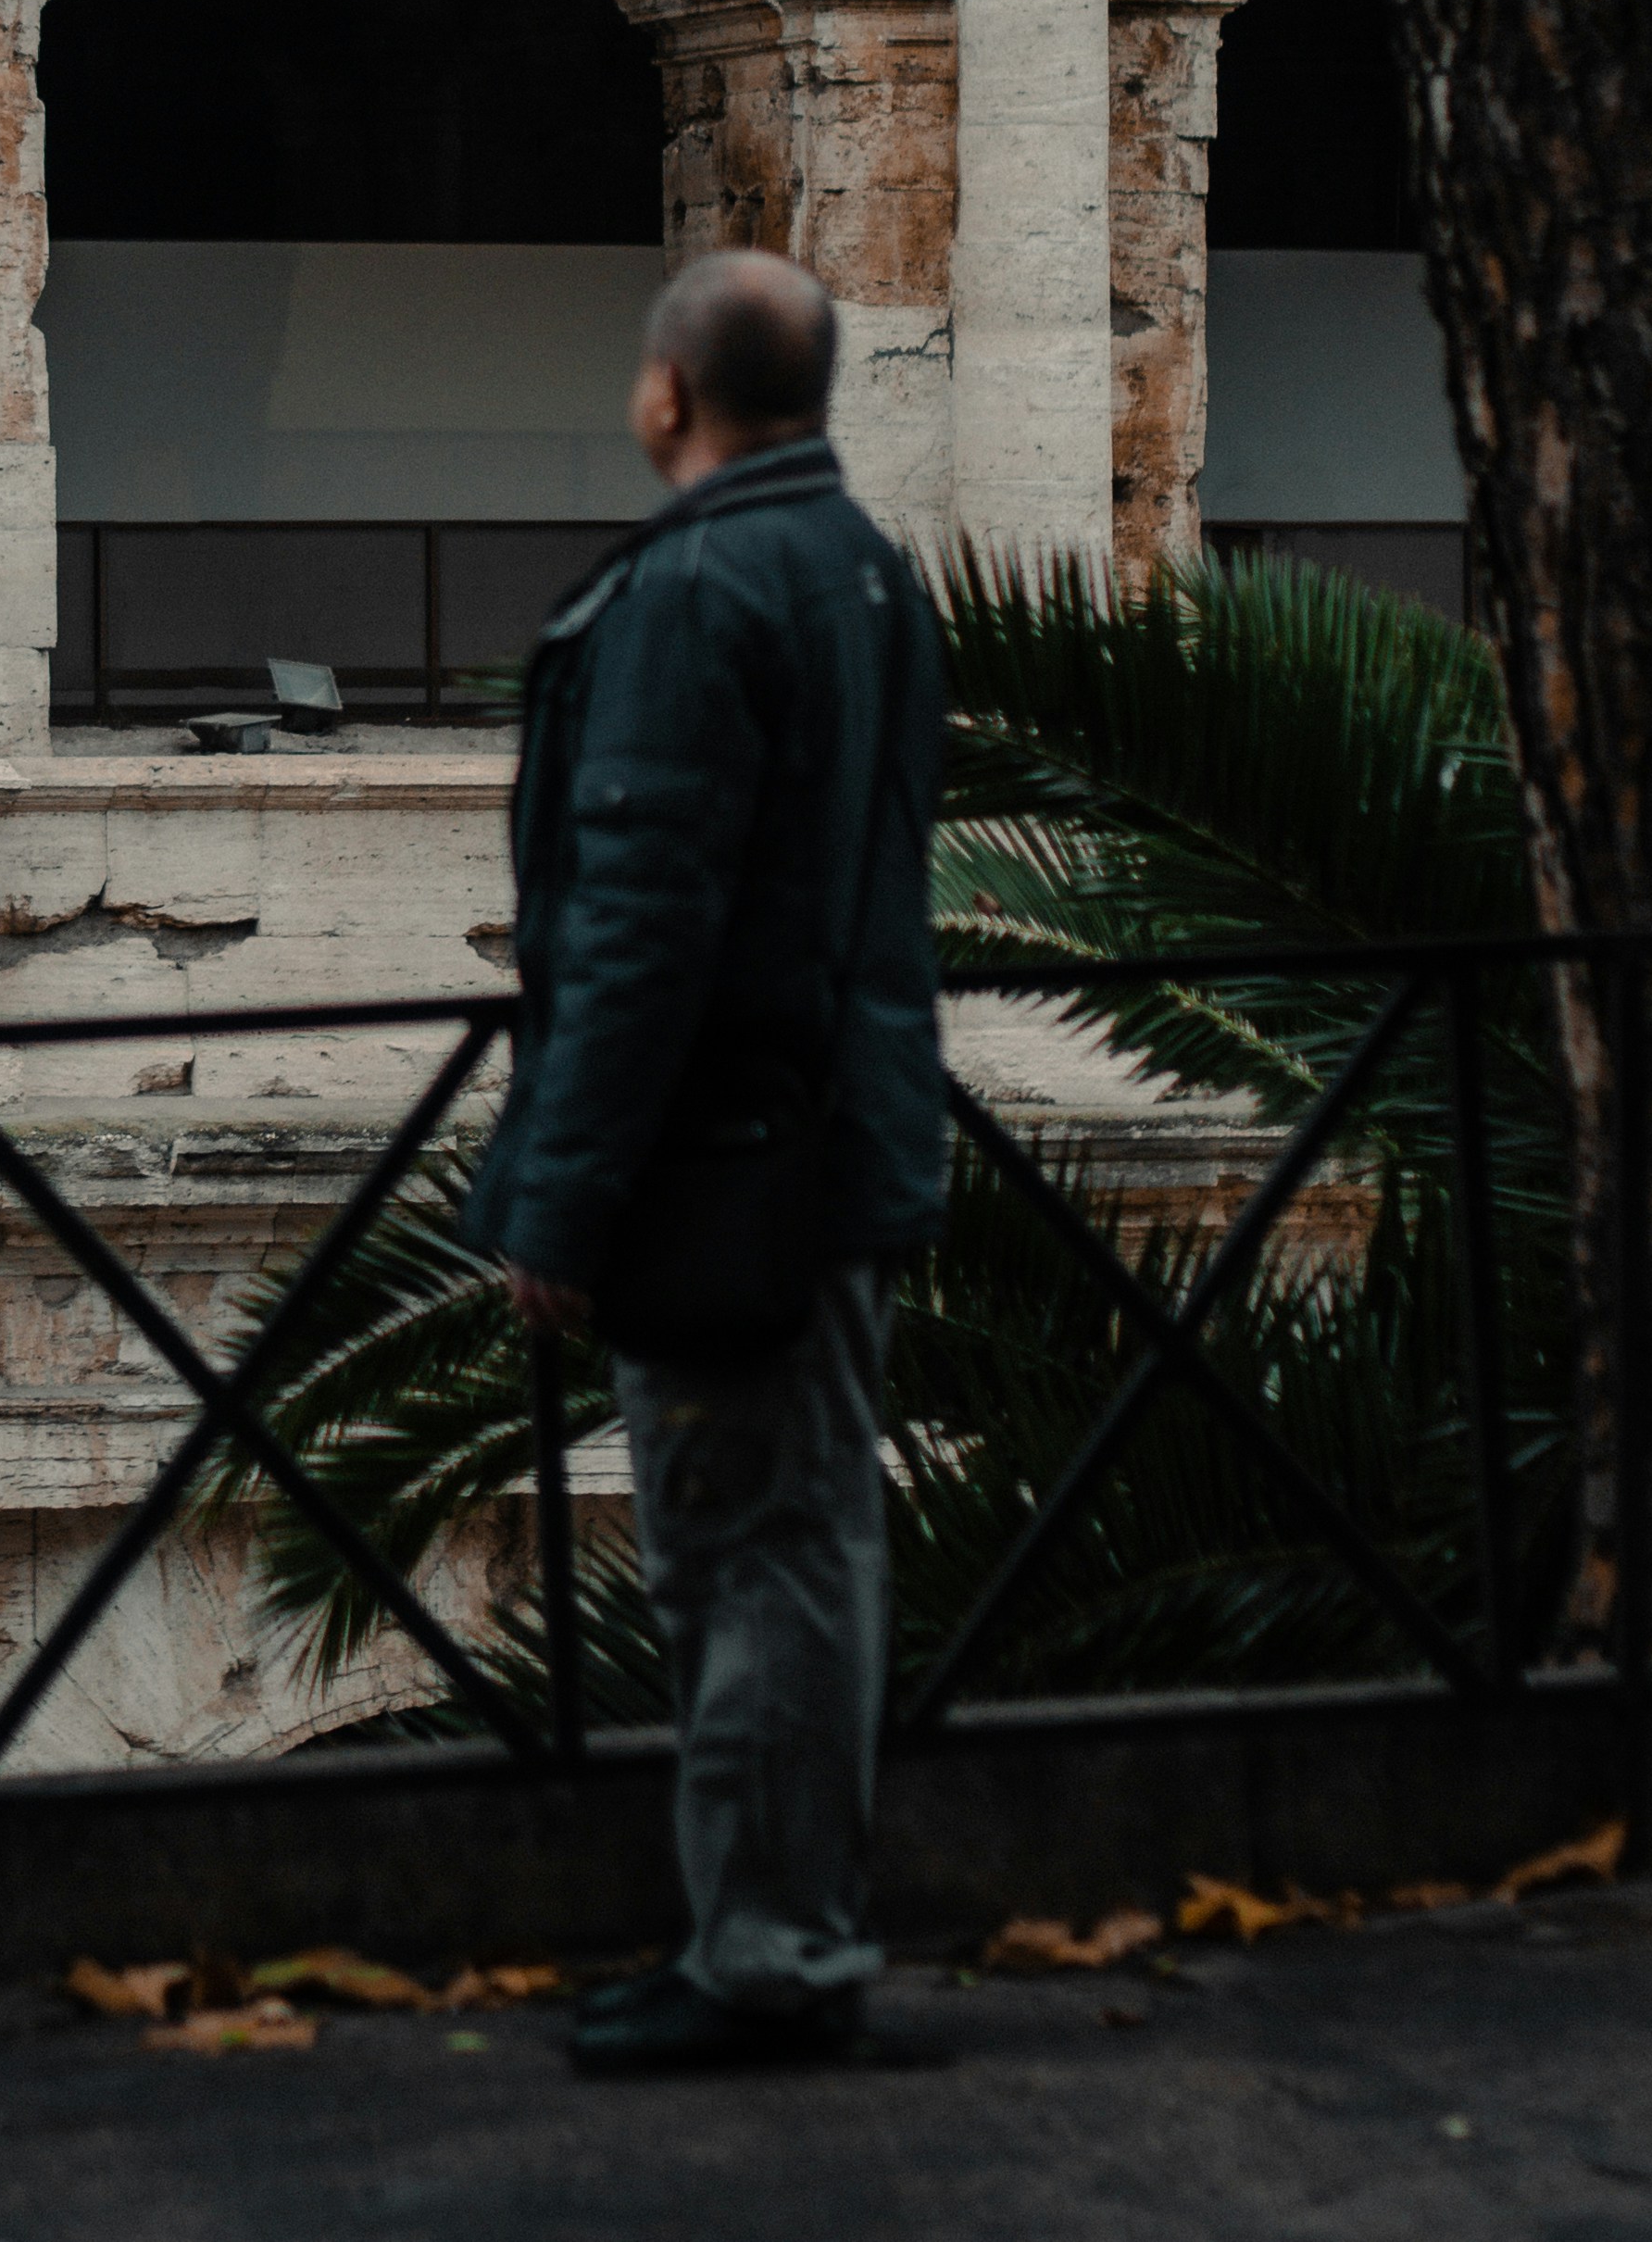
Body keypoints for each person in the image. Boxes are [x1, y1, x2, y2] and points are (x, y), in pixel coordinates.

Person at [460, 248, 947, 2079]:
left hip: (728, 1168)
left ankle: (764, 1958)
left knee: (747, 1564)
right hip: (841, 1135)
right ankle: (782, 1938)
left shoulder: (692, 591)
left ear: (670, 393)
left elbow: (637, 931)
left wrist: (556, 1200)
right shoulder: (869, 572)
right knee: (809, 1548)